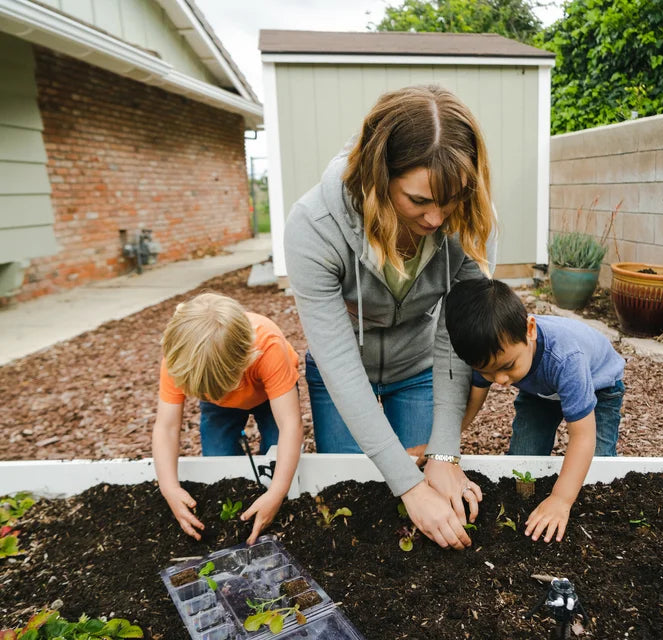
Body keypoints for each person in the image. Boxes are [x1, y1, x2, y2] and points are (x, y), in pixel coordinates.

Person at [284, 85, 497, 550]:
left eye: (452, 198)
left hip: (420, 369)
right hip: (343, 372)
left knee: (430, 492)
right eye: (419, 201)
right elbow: (339, 363)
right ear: (379, 178)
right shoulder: (314, 227)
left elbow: (456, 336)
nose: (438, 218)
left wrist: (444, 452)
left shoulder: (467, 220)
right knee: (346, 510)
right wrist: (409, 486)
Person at [445, 278, 625, 544]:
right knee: (523, 460)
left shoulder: (566, 359)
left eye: (508, 367)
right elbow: (474, 401)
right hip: (539, 392)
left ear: (530, 330)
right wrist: (444, 444)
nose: (501, 380)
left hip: (599, 387)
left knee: (597, 469)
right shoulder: (491, 350)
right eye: (487, 372)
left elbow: (582, 437)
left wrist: (560, 499)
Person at [151, 293, 303, 545]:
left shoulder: (267, 346)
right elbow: (166, 427)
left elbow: (291, 425)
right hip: (218, 405)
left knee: (276, 458)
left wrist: (276, 493)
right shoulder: (180, 358)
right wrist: (169, 488)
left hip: (269, 394)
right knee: (218, 460)